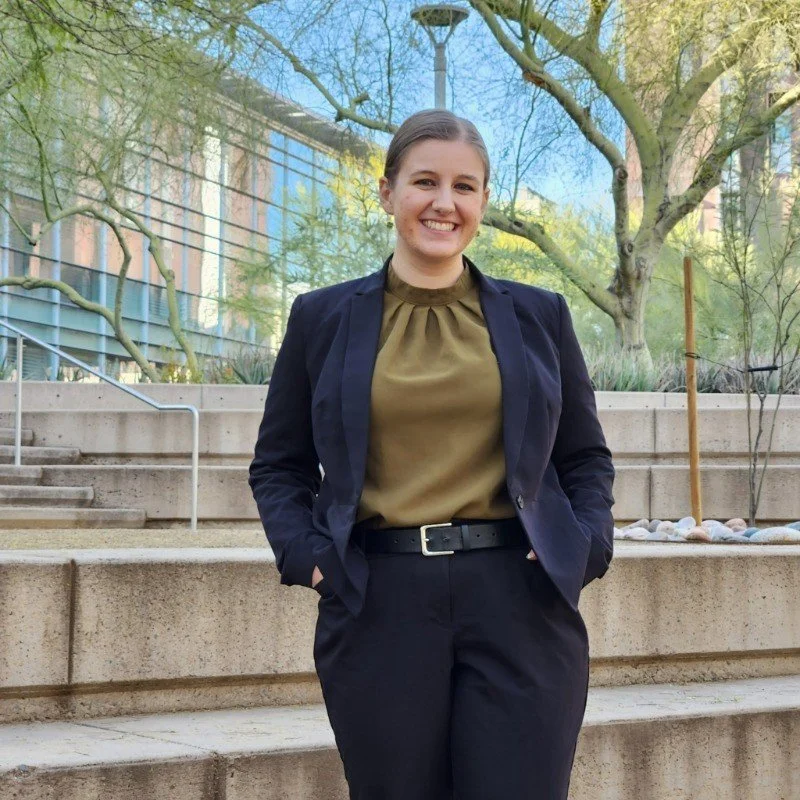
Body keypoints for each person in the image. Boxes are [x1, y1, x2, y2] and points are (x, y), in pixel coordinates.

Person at [249, 108, 615, 800]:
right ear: (387, 192)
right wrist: (311, 561)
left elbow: (585, 458)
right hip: (378, 597)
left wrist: (587, 545)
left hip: (520, 597)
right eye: (425, 182)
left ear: (482, 201)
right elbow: (279, 464)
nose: (444, 202)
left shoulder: (539, 315)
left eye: (464, 187)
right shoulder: (321, 318)